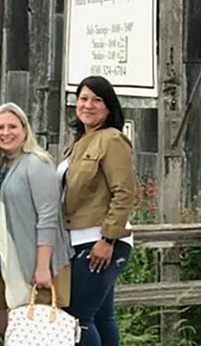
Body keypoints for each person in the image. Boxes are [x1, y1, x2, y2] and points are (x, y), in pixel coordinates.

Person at [0, 102, 73, 336]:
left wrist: (42, 267)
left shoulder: (37, 163)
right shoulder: (1, 167)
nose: (6, 132)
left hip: (34, 265)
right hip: (4, 262)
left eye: (12, 126)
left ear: (25, 129)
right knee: (13, 332)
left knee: (38, 332)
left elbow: (48, 217)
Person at [62, 76, 138, 346]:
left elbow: (125, 192)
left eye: (97, 100)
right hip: (79, 241)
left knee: (77, 319)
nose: (88, 105)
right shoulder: (80, 143)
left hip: (99, 242)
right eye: (83, 98)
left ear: (109, 108)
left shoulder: (112, 140)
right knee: (103, 318)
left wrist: (107, 240)